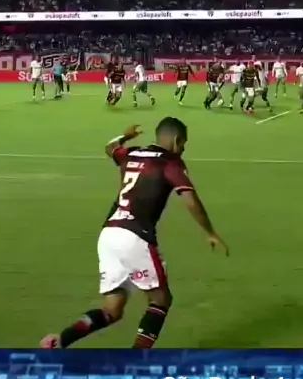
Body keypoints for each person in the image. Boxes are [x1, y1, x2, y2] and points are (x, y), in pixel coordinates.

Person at [40, 118, 229, 350]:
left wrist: (125, 137)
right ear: (176, 140)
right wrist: (210, 232)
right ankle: (137, 358)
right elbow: (190, 199)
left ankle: (60, 341)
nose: (183, 149)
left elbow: (110, 148)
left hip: (109, 234)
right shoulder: (170, 162)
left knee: (112, 310)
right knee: (160, 300)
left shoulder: (132, 154)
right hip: (135, 236)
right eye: (183, 144)